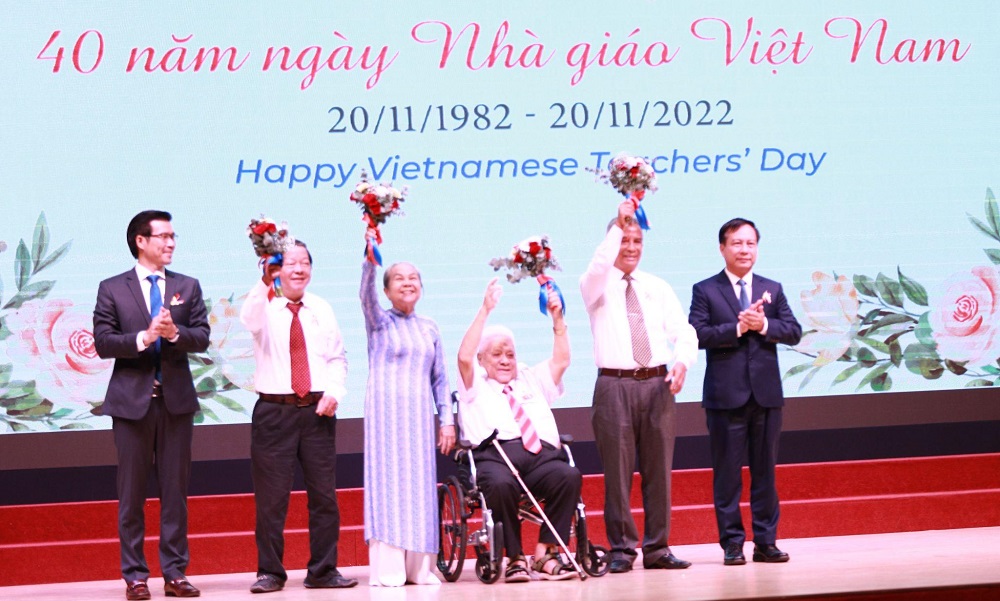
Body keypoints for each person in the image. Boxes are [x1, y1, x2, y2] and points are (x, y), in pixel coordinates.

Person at [93, 210, 210, 600]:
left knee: (175, 493)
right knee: (132, 495)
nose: (171, 243)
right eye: (163, 236)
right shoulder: (112, 288)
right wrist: (144, 337)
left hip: (175, 404)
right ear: (141, 241)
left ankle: (175, 573)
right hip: (131, 406)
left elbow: (202, 337)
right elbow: (103, 342)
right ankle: (135, 576)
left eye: (174, 236)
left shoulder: (187, 286)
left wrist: (175, 333)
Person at [579, 201, 698, 573]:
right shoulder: (595, 286)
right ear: (612, 241)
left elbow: (684, 331)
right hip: (615, 386)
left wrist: (682, 362)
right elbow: (600, 264)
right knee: (617, 474)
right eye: (624, 240)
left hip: (658, 385)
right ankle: (622, 549)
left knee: (659, 472)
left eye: (637, 241)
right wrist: (619, 220)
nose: (631, 247)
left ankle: (658, 548)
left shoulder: (656, 286)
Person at [239, 241, 357, 593]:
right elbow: (248, 319)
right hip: (275, 412)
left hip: (317, 412)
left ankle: (323, 570)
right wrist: (264, 281)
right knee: (272, 499)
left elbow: (337, 357)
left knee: (324, 497)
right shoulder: (265, 305)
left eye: (305, 262)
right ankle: (270, 572)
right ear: (276, 267)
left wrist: (335, 392)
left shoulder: (321, 307)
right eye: (290, 263)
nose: (299, 269)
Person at [688, 218, 803, 566]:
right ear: (722, 248)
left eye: (750, 243)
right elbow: (697, 334)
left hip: (765, 397)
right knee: (727, 476)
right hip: (725, 398)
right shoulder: (705, 290)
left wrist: (764, 325)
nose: (744, 250)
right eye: (736, 243)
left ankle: (766, 541)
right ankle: (732, 544)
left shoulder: (773, 288)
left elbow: (794, 331)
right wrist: (737, 327)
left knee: (765, 473)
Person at [456, 279, 582, 583]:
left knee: (569, 476)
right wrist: (485, 310)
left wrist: (558, 320)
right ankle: (514, 557)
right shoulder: (474, 385)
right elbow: (463, 357)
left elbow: (562, 359)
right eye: (496, 354)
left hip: (541, 459)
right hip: (497, 457)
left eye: (509, 354)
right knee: (499, 485)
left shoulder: (529, 377)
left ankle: (545, 553)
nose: (504, 360)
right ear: (483, 360)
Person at [360, 251, 456, 586]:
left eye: (413, 277)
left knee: (418, 489)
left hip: (417, 420)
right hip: (385, 420)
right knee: (389, 487)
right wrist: (370, 255)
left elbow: (440, 379)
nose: (407, 282)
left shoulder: (429, 327)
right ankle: (389, 569)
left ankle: (420, 567)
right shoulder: (379, 321)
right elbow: (364, 293)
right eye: (399, 278)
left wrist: (447, 420)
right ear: (386, 291)